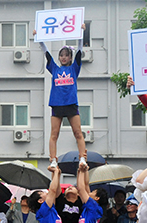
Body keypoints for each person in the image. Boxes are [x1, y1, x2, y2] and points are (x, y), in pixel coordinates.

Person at [33, 25, 87, 169]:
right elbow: (46, 53)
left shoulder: (74, 68)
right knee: (54, 134)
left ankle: (82, 158)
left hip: (71, 104)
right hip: (57, 104)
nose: (63, 58)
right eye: (61, 55)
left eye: (66, 55)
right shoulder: (55, 68)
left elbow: (80, 51)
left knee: (78, 132)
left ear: (70, 57)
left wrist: (81, 32)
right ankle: (53, 160)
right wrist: (38, 38)